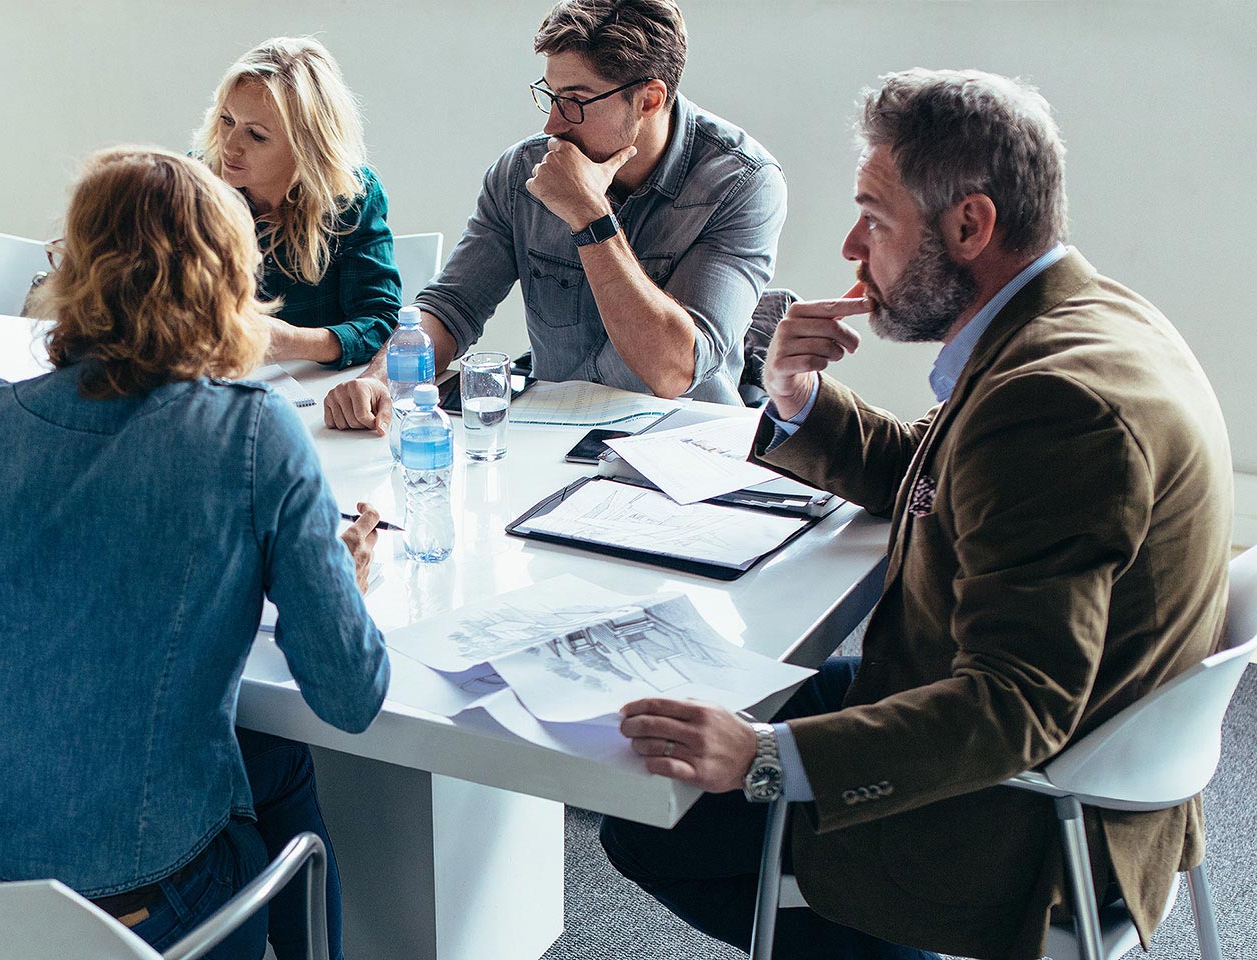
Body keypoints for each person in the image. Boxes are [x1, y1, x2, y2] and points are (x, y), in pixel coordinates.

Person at [602, 69, 1232, 960]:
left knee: (650, 821)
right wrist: (794, 397)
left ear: (970, 225)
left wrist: (767, 758)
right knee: (688, 720)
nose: (854, 246)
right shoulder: (1079, 318)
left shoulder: (1051, 404)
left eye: (877, 217)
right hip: (1079, 744)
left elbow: (1015, 706)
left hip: (1026, 820)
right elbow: (937, 474)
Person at [0, 146, 389, 960]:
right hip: (151, 905)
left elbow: (42, 585)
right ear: (229, 279)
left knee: (268, 757)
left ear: (70, 267)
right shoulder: (252, 433)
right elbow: (350, 696)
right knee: (275, 765)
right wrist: (337, 580)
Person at [324, 0, 786, 431]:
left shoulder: (743, 183)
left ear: (648, 99)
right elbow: (452, 307)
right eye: (551, 94)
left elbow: (675, 370)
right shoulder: (521, 173)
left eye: (575, 100)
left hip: (681, 447)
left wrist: (590, 215)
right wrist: (381, 379)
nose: (552, 124)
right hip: (553, 434)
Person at [196, 37, 401, 369]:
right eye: (226, 120)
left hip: (316, 393)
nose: (230, 147)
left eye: (256, 135)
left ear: (306, 146)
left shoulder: (352, 197)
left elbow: (381, 322)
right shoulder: (192, 186)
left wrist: (293, 342)